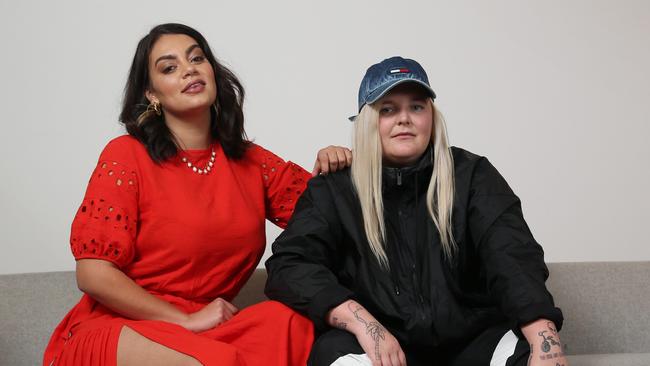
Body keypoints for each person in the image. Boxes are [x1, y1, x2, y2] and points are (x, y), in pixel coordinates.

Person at [43, 23, 352, 366]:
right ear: (152, 94)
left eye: (197, 58)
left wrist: (341, 165)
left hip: (209, 326)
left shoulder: (252, 162)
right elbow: (93, 274)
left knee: (288, 323)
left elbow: (329, 215)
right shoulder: (125, 156)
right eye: (169, 67)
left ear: (212, 73)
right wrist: (185, 320)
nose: (189, 69)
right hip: (125, 326)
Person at [265, 56, 568, 366]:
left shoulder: (473, 175)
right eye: (388, 109)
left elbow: (512, 257)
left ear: (431, 118)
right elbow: (290, 265)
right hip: (382, 347)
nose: (404, 118)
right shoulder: (335, 189)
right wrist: (363, 324)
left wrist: (547, 345)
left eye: (417, 107)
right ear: (368, 121)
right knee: (336, 358)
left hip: (473, 341)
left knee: (527, 351)